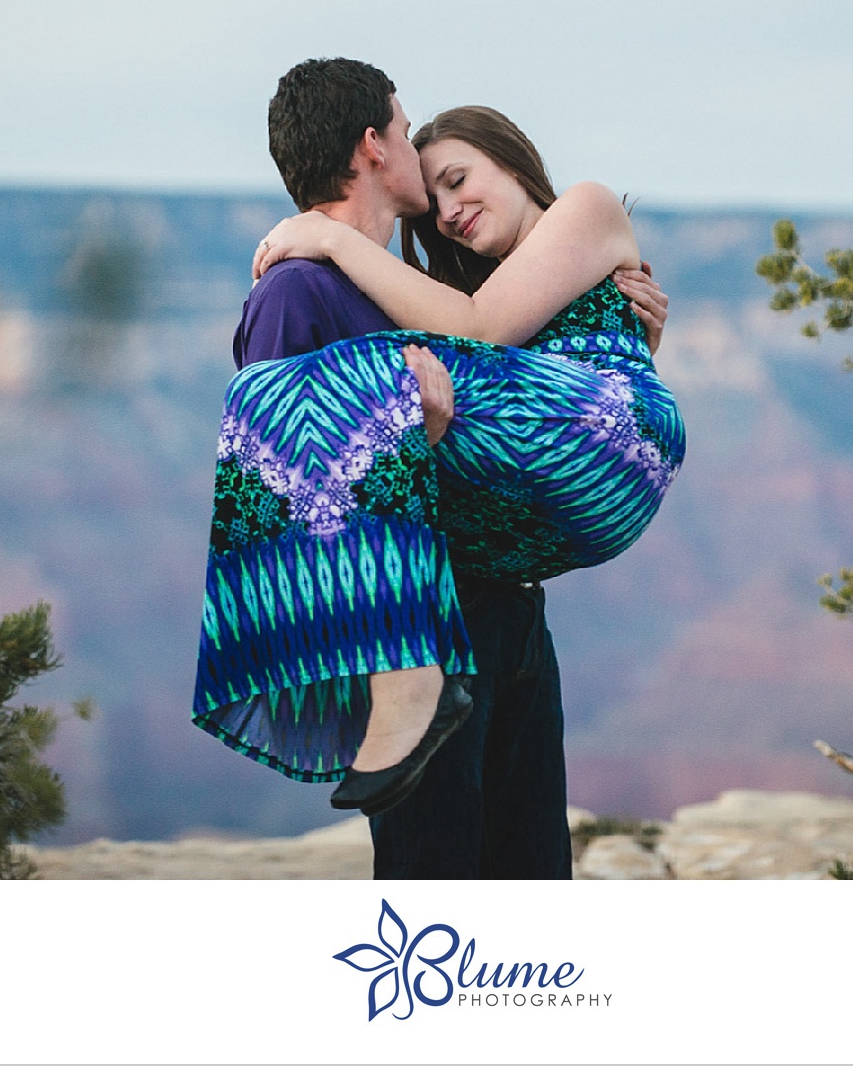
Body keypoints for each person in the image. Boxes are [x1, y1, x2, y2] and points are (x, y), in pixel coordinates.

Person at [191, 58, 682, 878]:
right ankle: (407, 690)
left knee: (530, 886)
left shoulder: (422, 281)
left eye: (461, 177)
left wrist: (630, 347)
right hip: (423, 619)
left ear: (514, 160)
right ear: (375, 145)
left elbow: (488, 337)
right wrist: (394, 416)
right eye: (431, 168)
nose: (448, 204)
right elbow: (283, 477)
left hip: (512, 613)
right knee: (437, 887)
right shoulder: (297, 290)